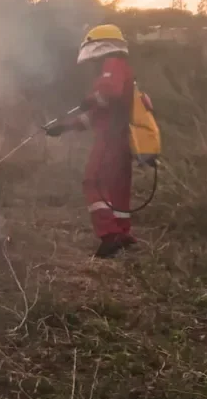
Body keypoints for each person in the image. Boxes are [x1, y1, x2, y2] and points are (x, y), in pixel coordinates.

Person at [45, 24, 139, 259]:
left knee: (93, 182)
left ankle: (109, 235)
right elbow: (95, 116)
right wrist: (63, 127)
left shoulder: (113, 65)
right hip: (121, 137)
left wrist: (90, 98)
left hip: (111, 138)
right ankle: (122, 232)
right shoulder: (123, 67)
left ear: (99, 47)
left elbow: (109, 93)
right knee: (117, 187)